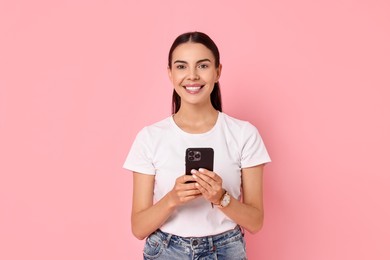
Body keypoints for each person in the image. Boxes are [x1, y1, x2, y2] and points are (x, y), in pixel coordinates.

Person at [123, 31, 271, 260]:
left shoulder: (244, 134)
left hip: (226, 250)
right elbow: (139, 228)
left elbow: (255, 221)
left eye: (202, 66)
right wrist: (172, 198)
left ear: (217, 71)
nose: (192, 76)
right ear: (170, 74)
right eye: (181, 67)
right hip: (166, 250)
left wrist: (221, 197)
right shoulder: (150, 137)